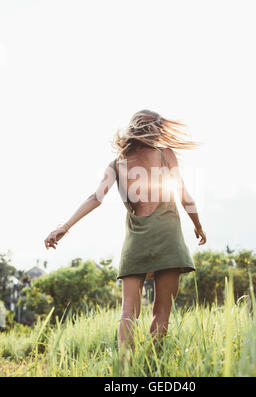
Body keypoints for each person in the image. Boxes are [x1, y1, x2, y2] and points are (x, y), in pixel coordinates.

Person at [44, 109, 206, 355]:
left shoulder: (117, 164)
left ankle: (126, 369)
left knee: (128, 311)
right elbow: (185, 196)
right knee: (162, 312)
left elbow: (95, 198)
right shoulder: (166, 155)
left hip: (136, 241)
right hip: (169, 238)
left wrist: (64, 227)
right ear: (156, 128)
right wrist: (198, 225)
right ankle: (153, 366)